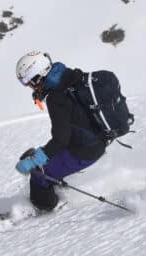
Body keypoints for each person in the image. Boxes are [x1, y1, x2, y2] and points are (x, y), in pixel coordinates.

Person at [14, 51, 106, 212]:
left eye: (28, 82)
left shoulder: (56, 97)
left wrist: (35, 162)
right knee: (41, 157)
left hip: (84, 150)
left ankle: (46, 205)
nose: (29, 87)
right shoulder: (72, 77)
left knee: (39, 174)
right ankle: (58, 183)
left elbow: (60, 140)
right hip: (97, 138)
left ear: (37, 76)